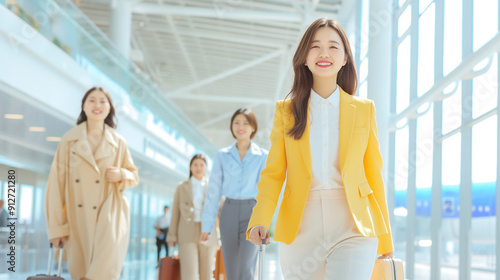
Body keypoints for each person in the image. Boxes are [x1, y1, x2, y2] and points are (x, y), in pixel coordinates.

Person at [247, 18, 394, 280]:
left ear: (345, 58)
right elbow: (273, 174)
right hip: (301, 225)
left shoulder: (364, 110)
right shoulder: (287, 112)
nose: (324, 53)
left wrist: (385, 240)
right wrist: (260, 219)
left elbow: (374, 174)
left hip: (353, 225)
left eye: (333, 47)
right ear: (304, 57)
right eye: (315, 46)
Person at [45, 87, 139, 280]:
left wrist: (121, 174)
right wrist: (56, 228)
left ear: (109, 108)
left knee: (102, 271)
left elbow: (134, 177)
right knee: (80, 271)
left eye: (103, 101)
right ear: (84, 106)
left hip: (111, 215)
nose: (97, 105)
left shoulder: (118, 141)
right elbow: (56, 185)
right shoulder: (69, 141)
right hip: (78, 218)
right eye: (92, 100)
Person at [200, 108, 268, 280]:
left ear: (253, 127)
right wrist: (206, 226)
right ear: (231, 126)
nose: (241, 127)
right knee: (230, 267)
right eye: (236, 122)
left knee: (246, 265)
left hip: (252, 212)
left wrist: (266, 222)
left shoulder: (262, 156)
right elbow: (213, 193)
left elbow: (266, 192)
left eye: (246, 123)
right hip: (228, 211)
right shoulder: (222, 156)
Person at [167, 154, 219, 280]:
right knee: (189, 274)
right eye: (195, 164)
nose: (198, 168)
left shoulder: (213, 187)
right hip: (186, 233)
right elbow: (175, 213)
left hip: (208, 233)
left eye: (201, 165)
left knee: (206, 274)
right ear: (190, 167)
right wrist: (172, 236)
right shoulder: (181, 187)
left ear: (206, 167)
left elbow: (218, 212)